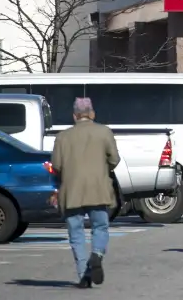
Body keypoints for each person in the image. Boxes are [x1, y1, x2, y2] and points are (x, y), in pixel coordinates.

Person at [51, 97, 121, 288]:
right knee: (100, 226)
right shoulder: (104, 132)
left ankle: (84, 275)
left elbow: (56, 165)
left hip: (72, 190)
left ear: (74, 116)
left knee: (76, 233)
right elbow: (114, 159)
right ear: (92, 114)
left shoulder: (62, 137)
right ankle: (97, 255)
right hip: (98, 188)